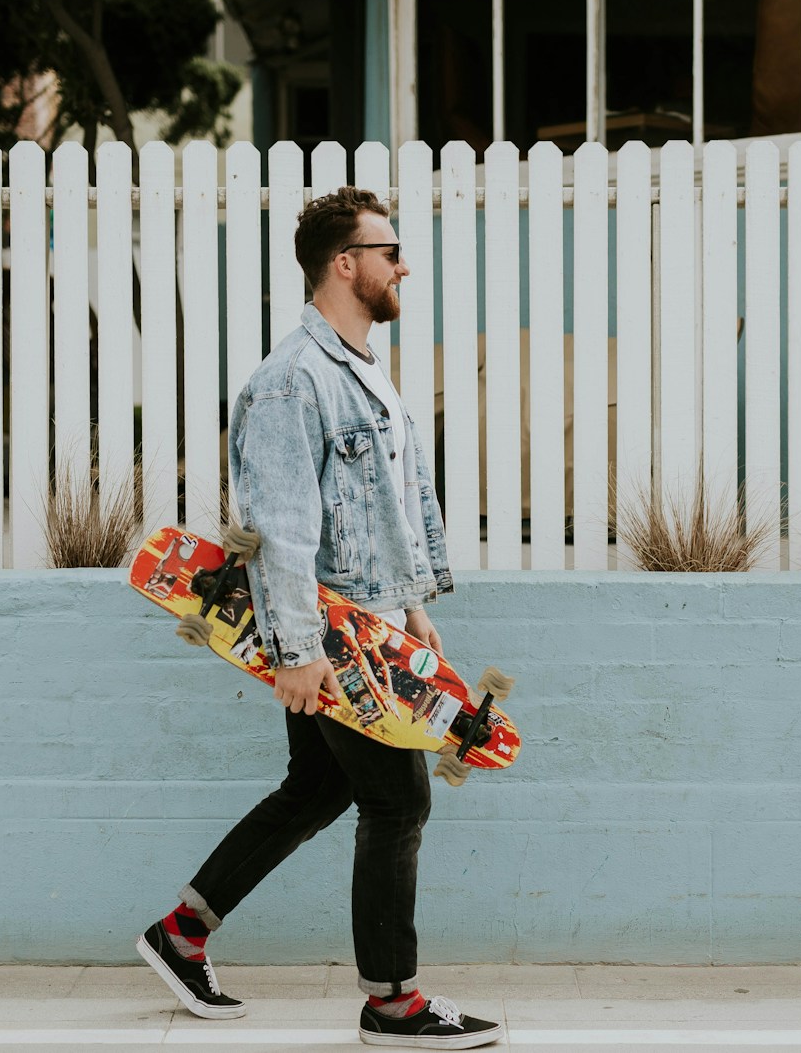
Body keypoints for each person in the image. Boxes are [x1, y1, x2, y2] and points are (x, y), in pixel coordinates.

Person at [135, 187, 503, 1050]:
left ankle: (182, 933)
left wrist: (413, 604)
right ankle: (392, 1003)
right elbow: (280, 533)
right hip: (330, 639)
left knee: (320, 785)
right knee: (398, 801)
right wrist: (298, 651)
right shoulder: (290, 383)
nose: (403, 264)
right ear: (347, 263)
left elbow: (390, 507)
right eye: (390, 249)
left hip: (373, 627)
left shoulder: (363, 369)